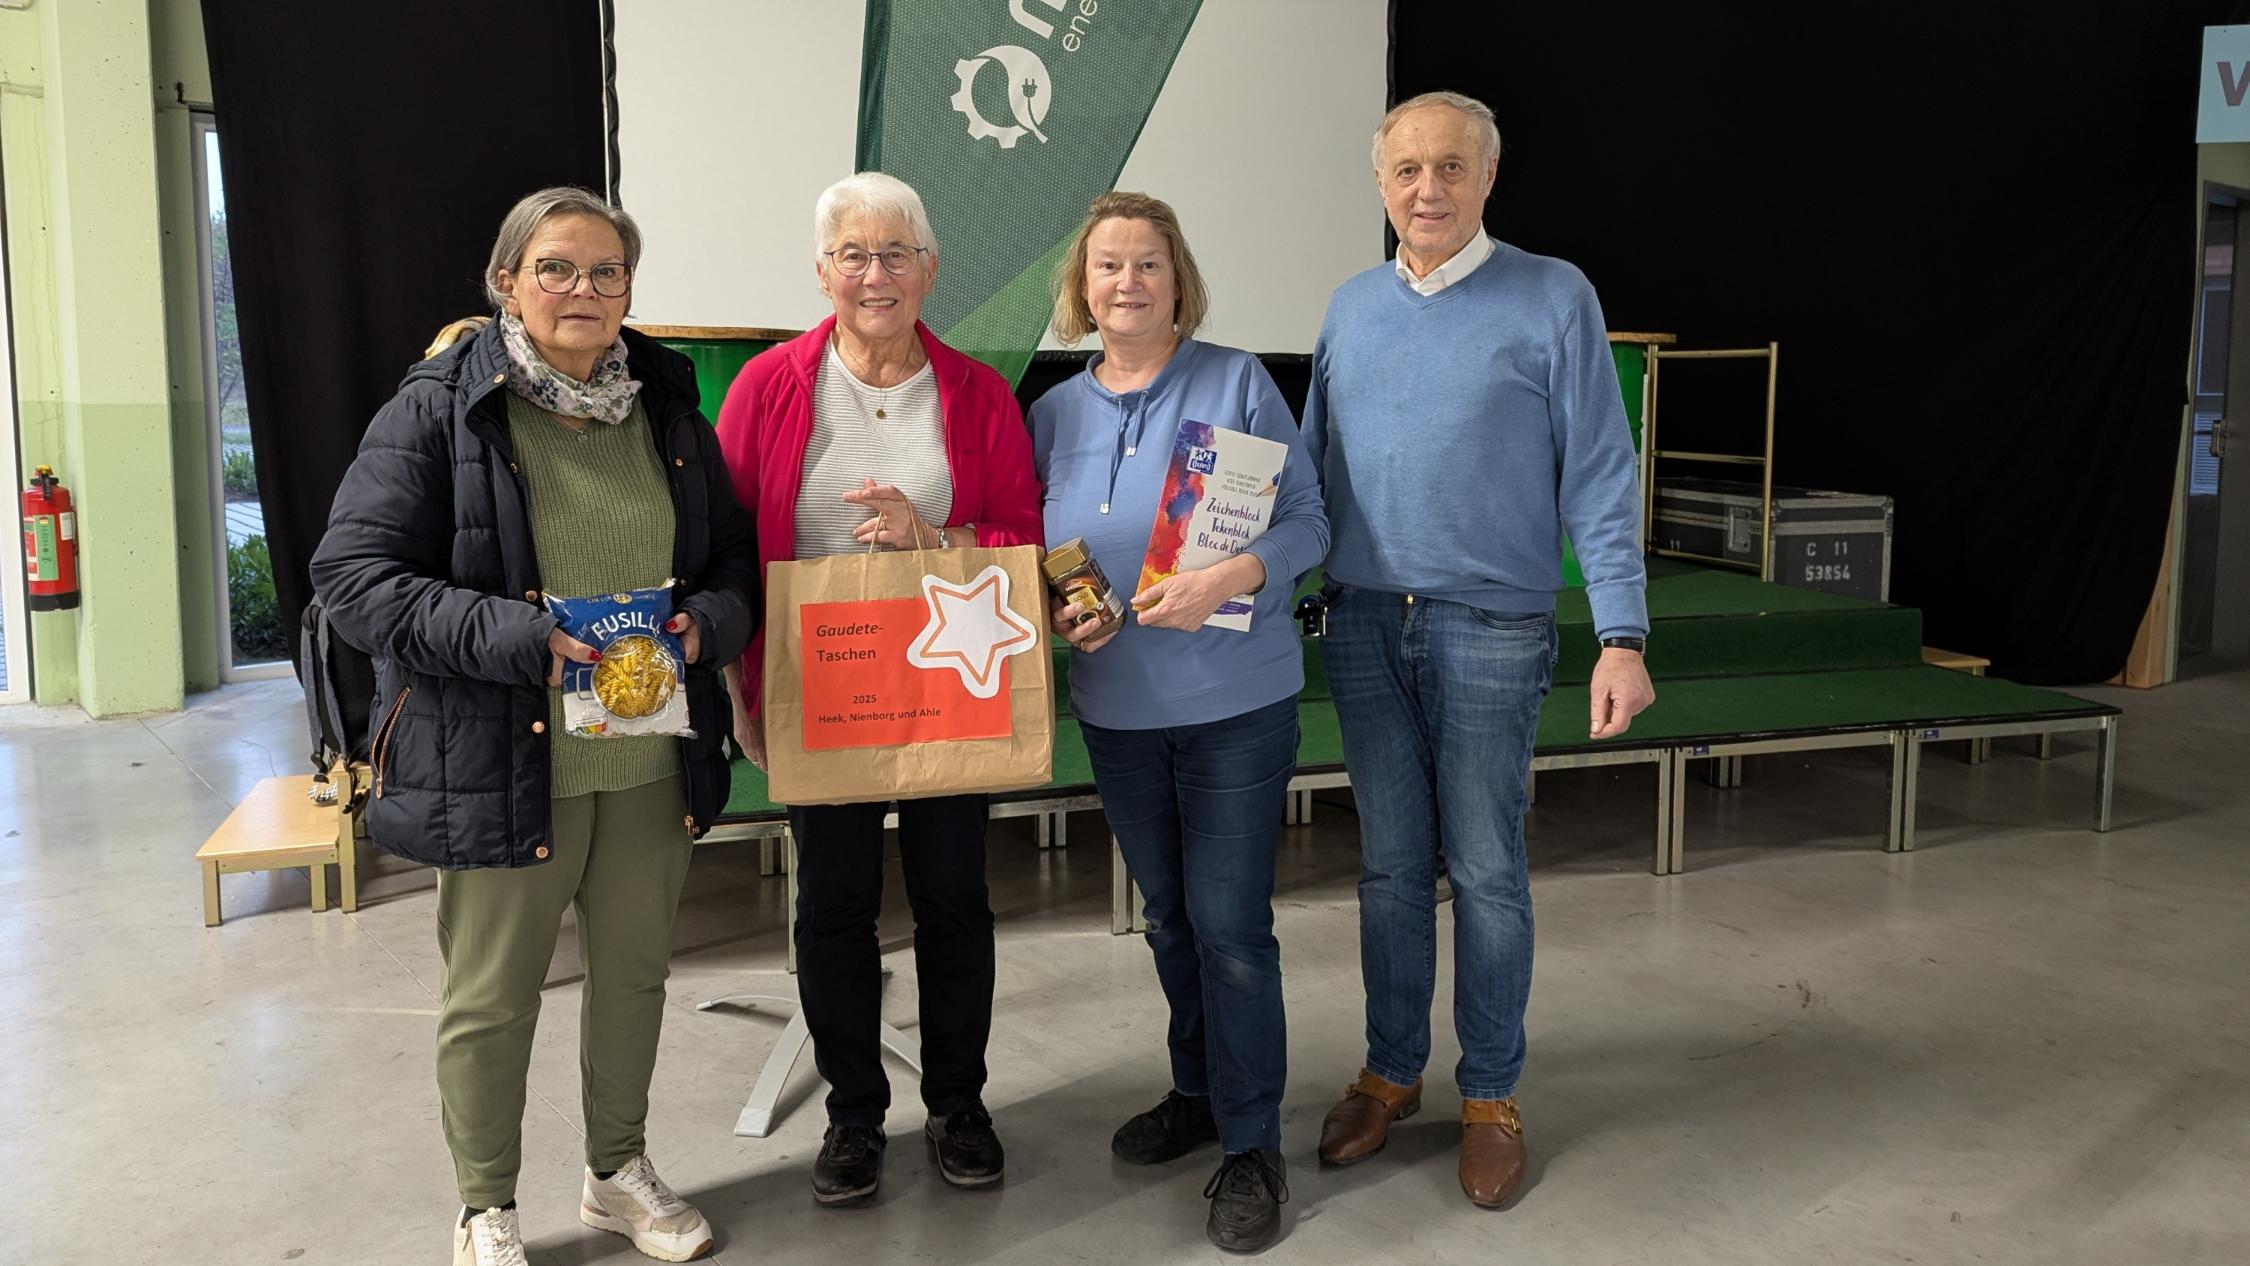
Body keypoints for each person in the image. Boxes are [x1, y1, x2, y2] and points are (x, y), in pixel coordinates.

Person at [311, 186, 759, 1265]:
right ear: (507, 281)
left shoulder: (666, 405)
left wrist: (708, 623)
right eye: (556, 267)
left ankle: (618, 1173)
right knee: (493, 997)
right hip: (503, 760)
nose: (583, 290)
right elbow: (351, 577)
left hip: (647, 755)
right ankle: (486, 1207)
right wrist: (517, 637)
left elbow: (732, 560)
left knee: (635, 978)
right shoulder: (442, 408)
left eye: (607, 271)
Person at [1301, 91, 1657, 1210]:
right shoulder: (1350, 307)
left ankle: (1491, 1092)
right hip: (1363, 620)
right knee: (1390, 867)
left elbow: (1600, 472)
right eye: (1408, 170)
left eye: (1452, 167)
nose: (1429, 189)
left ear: (1489, 177)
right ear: (1380, 183)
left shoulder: (1554, 297)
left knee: (1489, 868)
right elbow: (1309, 475)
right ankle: (1391, 1071)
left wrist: (1622, 634)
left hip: (1494, 626)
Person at [712, 171, 1042, 1207]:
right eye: (852, 254)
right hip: (818, 688)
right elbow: (725, 551)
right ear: (822, 272)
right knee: (833, 905)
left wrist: (932, 533)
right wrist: (740, 696)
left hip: (950, 686)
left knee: (955, 898)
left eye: (896, 253)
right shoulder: (767, 387)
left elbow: (1022, 537)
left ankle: (959, 1105)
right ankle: (854, 1115)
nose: (874, 274)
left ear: (929, 270)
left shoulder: (978, 393)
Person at [1029, 191, 1326, 1252]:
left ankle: (1253, 1146)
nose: (1128, 283)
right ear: (1083, 286)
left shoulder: (1236, 381)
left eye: (1148, 263)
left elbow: (1309, 521)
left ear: (1177, 278)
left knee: (1231, 927)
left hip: (1236, 704)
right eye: (1108, 265)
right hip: (1118, 711)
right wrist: (1059, 616)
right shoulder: (1053, 414)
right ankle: (1198, 1093)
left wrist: (1229, 577)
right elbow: (1034, 559)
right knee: (1168, 919)